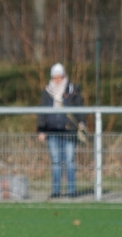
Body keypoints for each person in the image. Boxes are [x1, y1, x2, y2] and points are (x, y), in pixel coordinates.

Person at [36, 62, 85, 198]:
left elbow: (80, 108)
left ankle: (71, 191)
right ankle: (56, 191)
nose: (58, 79)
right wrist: (41, 129)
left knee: (69, 160)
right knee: (56, 161)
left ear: (64, 76)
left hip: (69, 131)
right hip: (52, 130)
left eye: (60, 77)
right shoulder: (47, 92)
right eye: (55, 77)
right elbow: (42, 111)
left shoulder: (73, 90)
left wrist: (81, 123)